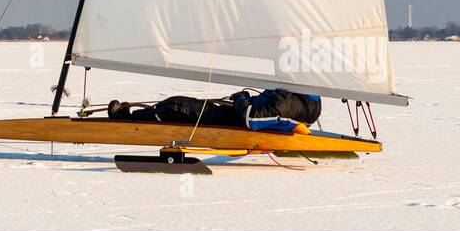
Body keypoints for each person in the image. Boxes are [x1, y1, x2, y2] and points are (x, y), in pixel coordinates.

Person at [107, 89, 321, 127]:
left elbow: (250, 118)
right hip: (235, 115)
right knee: (177, 104)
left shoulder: (289, 102)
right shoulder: (310, 99)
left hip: (236, 122)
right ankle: (135, 116)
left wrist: (242, 98)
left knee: (176, 106)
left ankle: (128, 121)